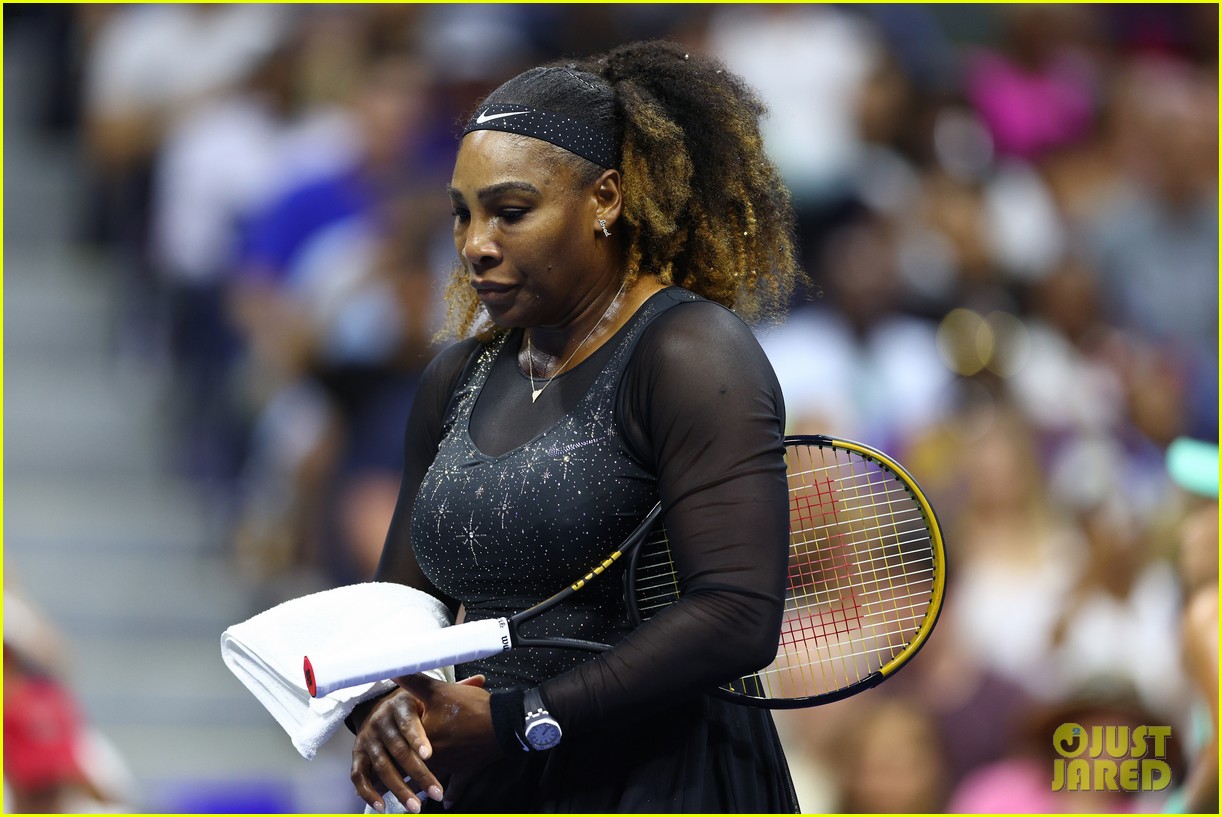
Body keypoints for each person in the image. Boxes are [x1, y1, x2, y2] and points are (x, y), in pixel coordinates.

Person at [346, 40, 802, 813]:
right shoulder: (455, 378)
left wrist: (523, 718)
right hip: (492, 778)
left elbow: (736, 614)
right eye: (462, 215)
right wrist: (386, 704)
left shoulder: (690, 353)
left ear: (607, 200)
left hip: (665, 781)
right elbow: (403, 609)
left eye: (511, 211)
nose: (475, 245)